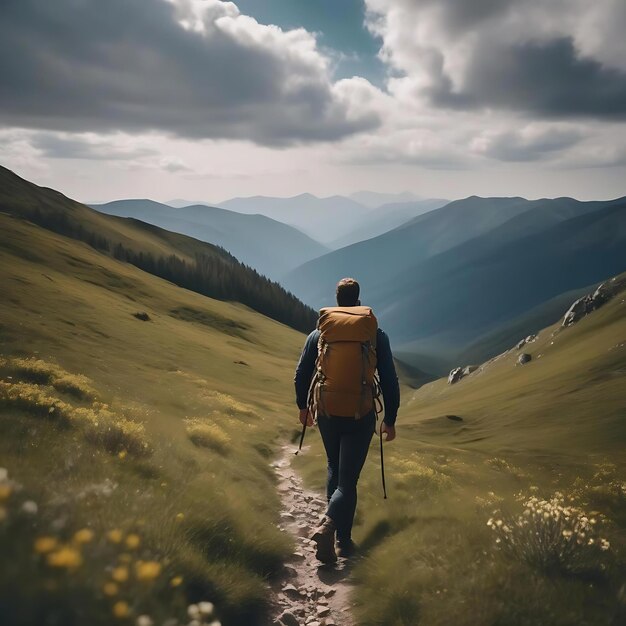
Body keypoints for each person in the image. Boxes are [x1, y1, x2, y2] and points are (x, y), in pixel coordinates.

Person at [294, 277, 400, 563]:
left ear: (337, 299)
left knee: (334, 468)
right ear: (358, 300)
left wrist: (303, 407)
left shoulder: (319, 334)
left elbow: (302, 373)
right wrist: (390, 419)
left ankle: (332, 543)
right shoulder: (375, 334)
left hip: (326, 410)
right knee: (348, 480)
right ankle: (336, 534)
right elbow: (389, 380)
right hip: (360, 413)